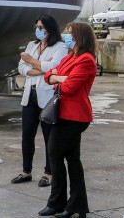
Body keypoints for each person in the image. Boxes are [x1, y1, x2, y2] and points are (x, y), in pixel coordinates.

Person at [38, 22, 98, 218]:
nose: (67, 36)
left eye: (71, 34)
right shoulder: (70, 57)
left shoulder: (87, 60)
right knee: (72, 160)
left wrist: (59, 78)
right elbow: (48, 76)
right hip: (63, 114)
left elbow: (70, 87)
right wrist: (60, 77)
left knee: (54, 154)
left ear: (80, 37)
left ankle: (57, 203)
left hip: (75, 116)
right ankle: (76, 206)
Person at [13, 15, 68, 188]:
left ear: (50, 29)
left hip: (47, 96)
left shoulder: (61, 47)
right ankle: (26, 170)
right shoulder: (32, 45)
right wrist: (36, 68)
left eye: (41, 27)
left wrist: (31, 62)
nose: (38, 30)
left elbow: (54, 67)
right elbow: (21, 67)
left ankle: (48, 172)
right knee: (27, 135)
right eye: (37, 26)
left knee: (49, 137)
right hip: (30, 94)